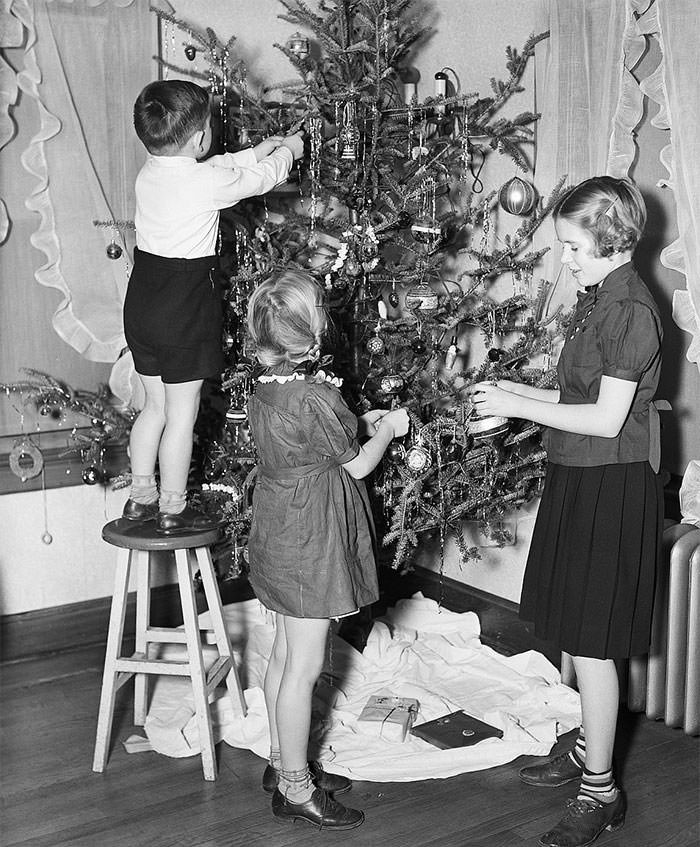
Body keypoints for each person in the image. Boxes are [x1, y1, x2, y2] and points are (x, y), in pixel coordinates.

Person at [471, 176, 663, 847]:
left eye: (576, 247)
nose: (566, 260)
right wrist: (512, 391)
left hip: (612, 480)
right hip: (579, 473)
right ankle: (589, 744)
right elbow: (573, 390)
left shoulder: (630, 309)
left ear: (613, 239)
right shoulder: (596, 298)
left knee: (594, 642)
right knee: (575, 627)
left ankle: (601, 790)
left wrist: (520, 406)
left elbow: (609, 419)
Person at [245, 269, 409, 830]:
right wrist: (389, 429)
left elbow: (314, 440)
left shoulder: (264, 388)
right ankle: (295, 788)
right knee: (305, 666)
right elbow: (358, 463)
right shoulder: (318, 395)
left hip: (277, 526)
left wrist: (358, 422)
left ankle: (281, 762)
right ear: (312, 333)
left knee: (283, 656)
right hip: (311, 536)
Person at [121, 79, 304, 534]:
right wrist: (288, 151)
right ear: (200, 137)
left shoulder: (151, 172)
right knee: (183, 415)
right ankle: (173, 506)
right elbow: (257, 180)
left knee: (155, 408)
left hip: (143, 298)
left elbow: (220, 167)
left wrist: (259, 147)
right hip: (184, 305)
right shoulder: (206, 183)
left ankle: (140, 497)